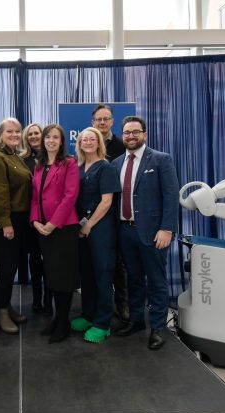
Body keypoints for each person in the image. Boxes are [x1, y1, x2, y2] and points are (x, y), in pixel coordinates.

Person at [111, 116, 179, 350]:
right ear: (122, 135)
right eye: (127, 133)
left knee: (157, 282)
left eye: (135, 132)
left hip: (153, 233)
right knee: (134, 280)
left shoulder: (161, 159)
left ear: (144, 134)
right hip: (125, 232)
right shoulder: (116, 163)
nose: (131, 136)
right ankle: (137, 320)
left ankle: (158, 328)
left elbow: (171, 196)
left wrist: (167, 229)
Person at [29, 124, 80, 343]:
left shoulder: (69, 163)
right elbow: (35, 197)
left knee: (63, 278)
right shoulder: (39, 165)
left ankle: (63, 322)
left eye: (55, 137)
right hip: (43, 229)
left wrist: (52, 223)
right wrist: (35, 221)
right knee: (51, 276)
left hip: (63, 228)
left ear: (61, 142)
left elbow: (70, 196)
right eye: (47, 137)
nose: (51, 140)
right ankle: (57, 319)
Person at [71, 127, 121, 343]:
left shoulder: (106, 167)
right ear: (80, 144)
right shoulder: (78, 167)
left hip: (100, 227)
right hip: (82, 227)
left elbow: (107, 201)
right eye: (84, 139)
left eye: (92, 139)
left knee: (102, 274)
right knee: (87, 273)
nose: (88, 142)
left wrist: (89, 225)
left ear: (99, 142)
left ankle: (102, 323)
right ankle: (88, 315)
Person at [0, 117, 32, 335]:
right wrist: (5, 223)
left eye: (17, 131)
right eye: (9, 131)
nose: (14, 135)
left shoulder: (14, 155)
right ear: (0, 135)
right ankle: (1, 311)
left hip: (19, 219)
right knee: (6, 266)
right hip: (6, 220)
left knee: (10, 266)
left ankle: (6, 305)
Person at [92, 104, 129, 323]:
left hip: (119, 211)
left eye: (106, 119)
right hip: (95, 214)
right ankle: (97, 305)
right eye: (99, 119)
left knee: (120, 264)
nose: (102, 122)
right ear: (93, 122)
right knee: (98, 264)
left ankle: (122, 305)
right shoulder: (89, 144)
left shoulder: (123, 145)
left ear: (112, 121)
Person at [20, 123, 53, 315]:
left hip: (50, 219)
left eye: (36, 133)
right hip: (30, 218)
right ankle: (36, 300)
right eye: (30, 134)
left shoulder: (53, 158)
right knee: (34, 260)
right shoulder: (22, 160)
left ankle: (49, 301)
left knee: (49, 260)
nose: (33, 136)